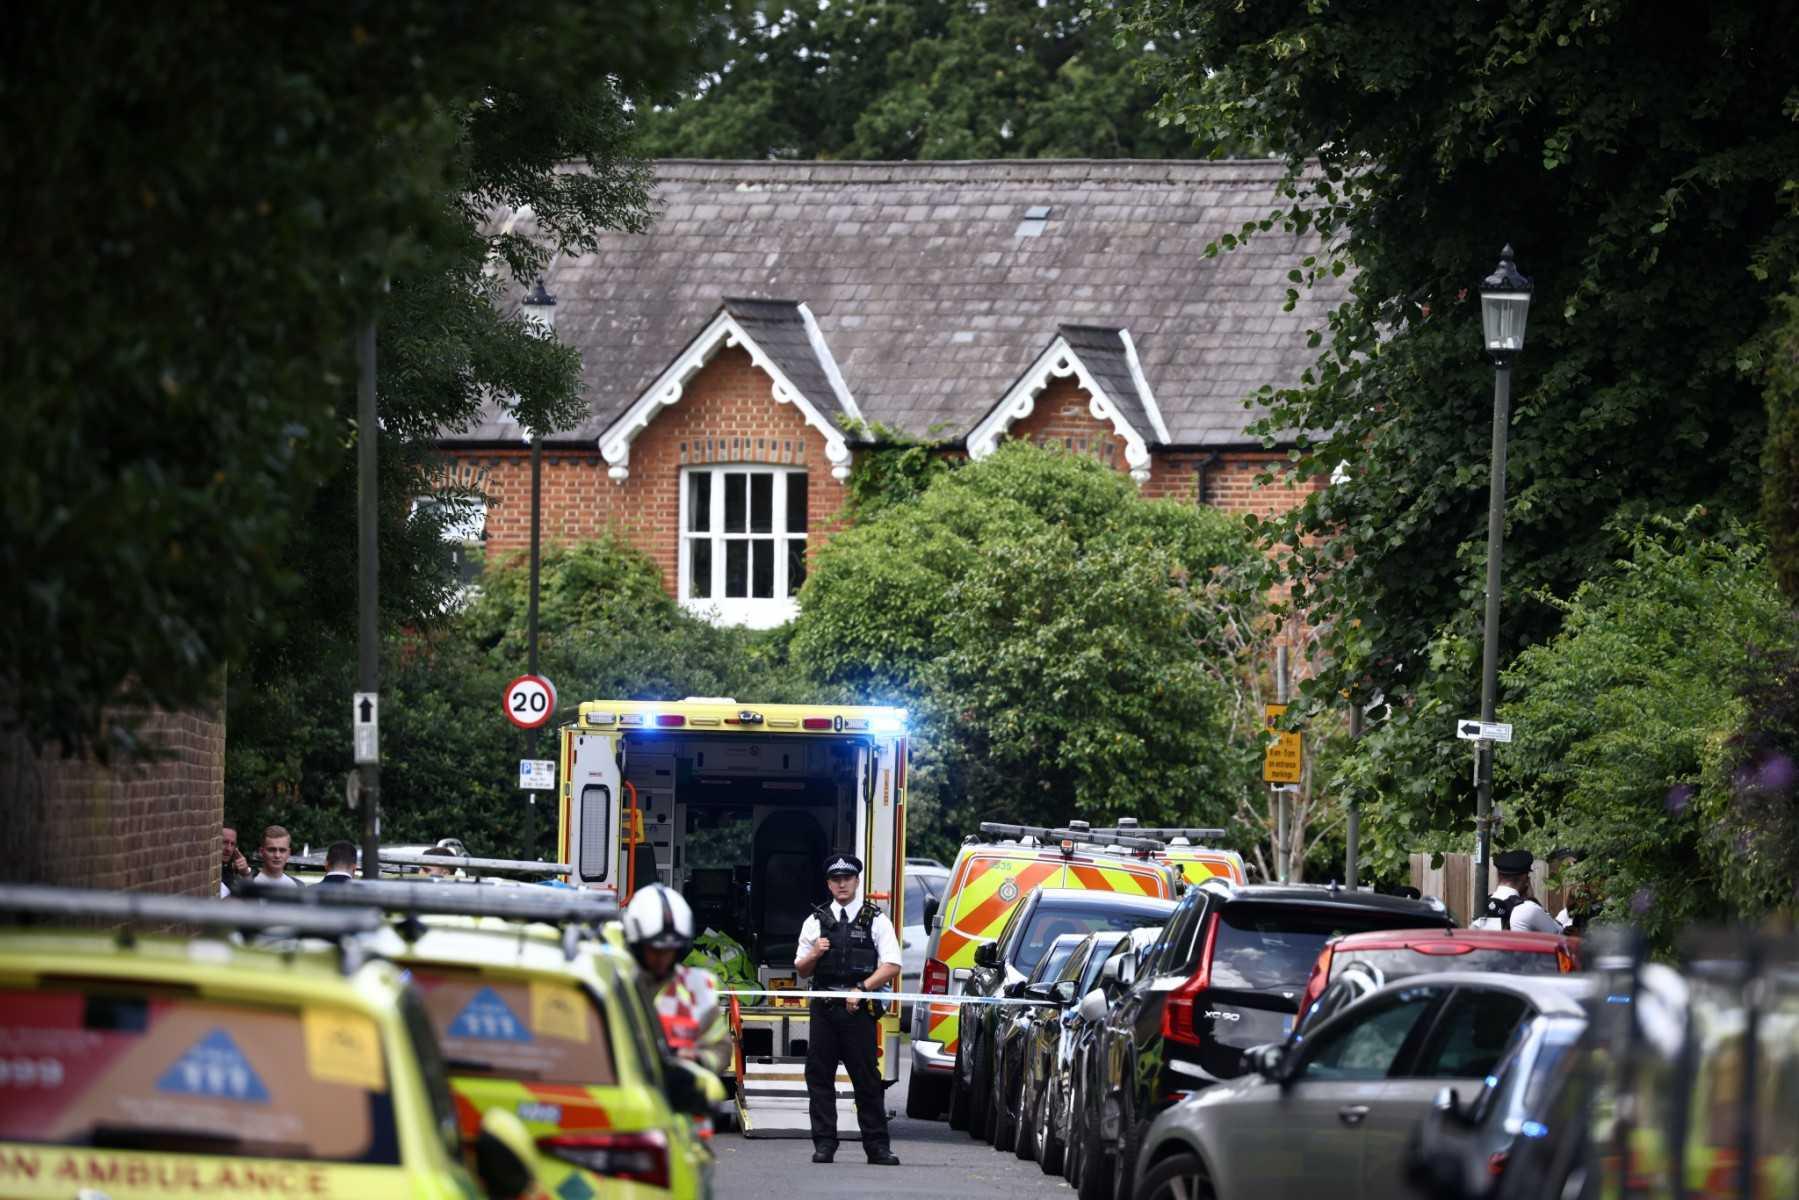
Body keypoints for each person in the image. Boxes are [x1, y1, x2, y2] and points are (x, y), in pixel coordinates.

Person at [793, 852, 901, 1166]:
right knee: (820, 1078)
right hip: (825, 1010)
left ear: (856, 881)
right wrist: (814, 953)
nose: (842, 884)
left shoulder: (876, 919)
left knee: (867, 1080)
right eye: (836, 880)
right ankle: (824, 1144)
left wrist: (863, 988)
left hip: (859, 1011)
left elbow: (892, 964)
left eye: (847, 879)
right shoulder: (815, 921)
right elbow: (801, 969)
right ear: (828, 884)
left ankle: (877, 1147)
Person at [621, 884, 730, 1077]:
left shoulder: (697, 987)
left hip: (678, 1100)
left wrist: (699, 1062)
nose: (662, 958)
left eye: (670, 949)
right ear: (636, 945)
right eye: (654, 950)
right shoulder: (615, 984)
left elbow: (721, 1048)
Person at [1473, 850, 1562, 932]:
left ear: (1498, 876)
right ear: (1525, 878)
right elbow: (1558, 933)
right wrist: (1534, 900)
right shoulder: (1529, 909)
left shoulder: (1482, 907)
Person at [219, 826, 252, 897]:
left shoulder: (230, 871)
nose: (229, 849)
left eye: (232, 844)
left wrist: (246, 873)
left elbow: (251, 899)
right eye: (224, 842)